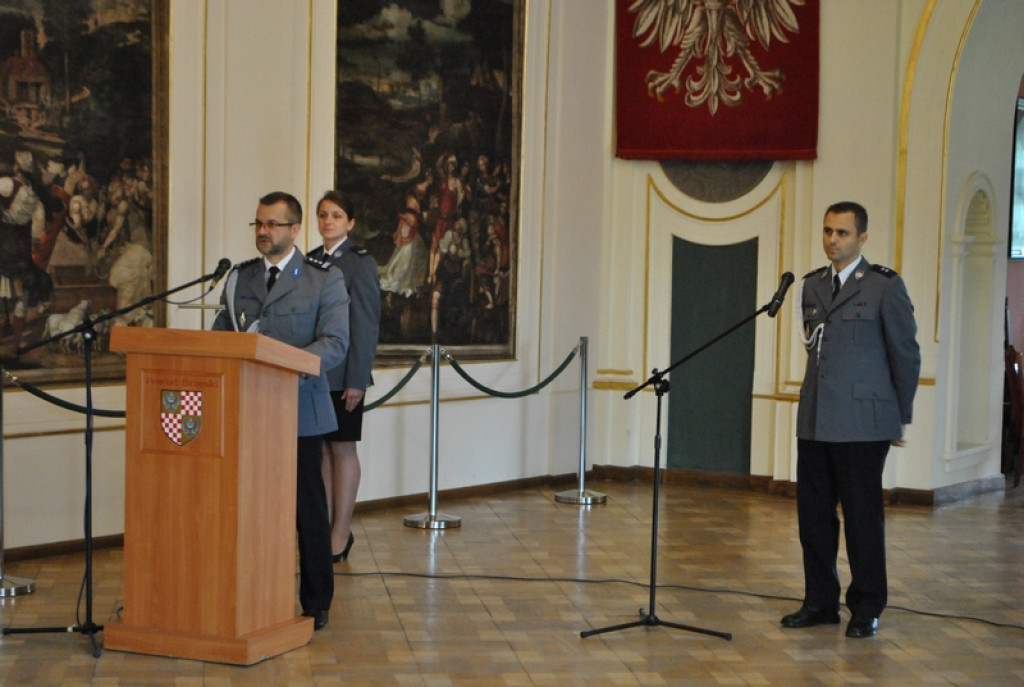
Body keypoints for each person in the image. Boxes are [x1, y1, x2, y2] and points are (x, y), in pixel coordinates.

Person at [781, 201, 920, 639]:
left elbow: (905, 353)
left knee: (862, 517)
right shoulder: (811, 286)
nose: (832, 240)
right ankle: (820, 602)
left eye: (842, 233)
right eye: (827, 231)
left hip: (864, 421)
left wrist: (900, 416)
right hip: (817, 418)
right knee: (814, 517)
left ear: (862, 237)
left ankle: (866, 606)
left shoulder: (883, 286)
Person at [211, 191, 349, 631]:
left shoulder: (322, 280)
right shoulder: (238, 279)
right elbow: (220, 338)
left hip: (299, 411)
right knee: (245, 505)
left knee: (306, 508)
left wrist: (285, 368)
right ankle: (250, 589)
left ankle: (316, 600)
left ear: (294, 229)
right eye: (258, 224)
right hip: (246, 412)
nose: (263, 231)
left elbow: (334, 343)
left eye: (272, 224)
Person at [308, 191, 380, 562]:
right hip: (314, 375)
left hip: (343, 375)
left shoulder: (359, 263)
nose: (328, 221)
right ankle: (324, 527)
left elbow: (365, 325)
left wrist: (356, 378)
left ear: (350, 223)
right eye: (322, 215)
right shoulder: (310, 261)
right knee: (319, 450)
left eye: (336, 215)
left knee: (342, 449)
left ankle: (341, 532)